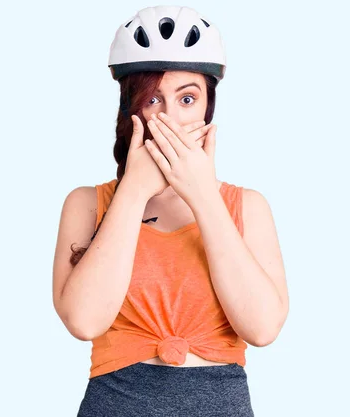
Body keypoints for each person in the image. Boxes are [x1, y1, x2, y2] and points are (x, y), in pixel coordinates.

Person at [52, 5, 289, 416]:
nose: (168, 118)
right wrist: (134, 190)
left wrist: (202, 195)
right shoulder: (87, 203)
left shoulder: (247, 206)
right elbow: (84, 322)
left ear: (207, 109)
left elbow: (263, 328)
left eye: (187, 98)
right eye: (153, 98)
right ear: (131, 106)